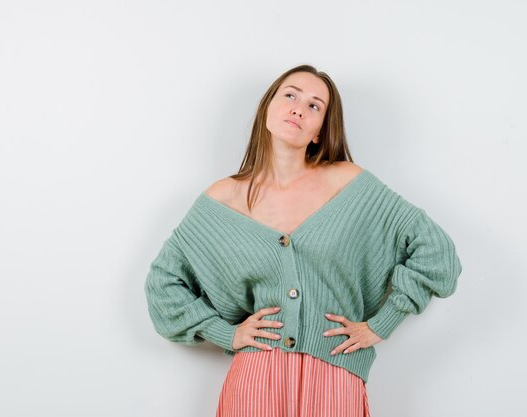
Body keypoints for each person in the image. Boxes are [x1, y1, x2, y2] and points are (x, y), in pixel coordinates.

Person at [144, 64, 462, 417]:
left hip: (337, 374)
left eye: (314, 106)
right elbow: (163, 285)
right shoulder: (222, 200)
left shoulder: (350, 185)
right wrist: (226, 334)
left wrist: (380, 324)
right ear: (268, 106)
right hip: (256, 379)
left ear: (319, 131)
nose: (298, 108)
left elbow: (437, 254)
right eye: (290, 95)